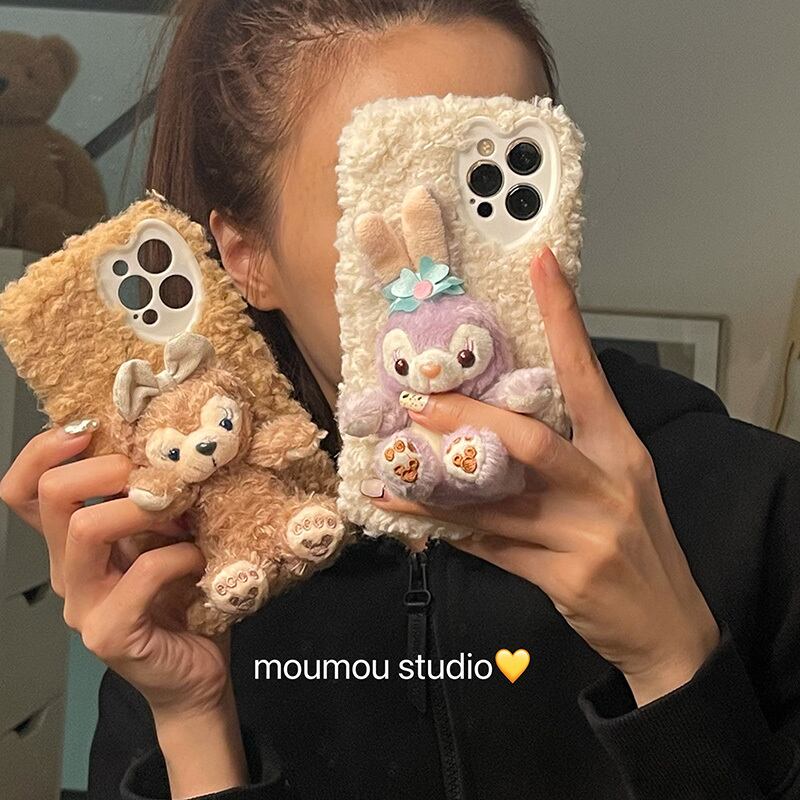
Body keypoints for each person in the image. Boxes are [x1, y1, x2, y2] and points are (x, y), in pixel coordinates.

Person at [2, 2, 799, 798]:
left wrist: (672, 666)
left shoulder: (756, 503)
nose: (452, 266)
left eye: (498, 179)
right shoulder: (213, 562)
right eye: (383, 193)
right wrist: (191, 716)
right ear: (249, 258)